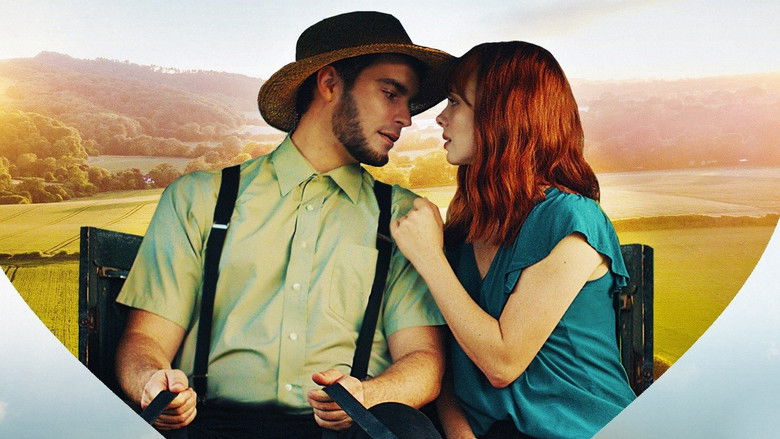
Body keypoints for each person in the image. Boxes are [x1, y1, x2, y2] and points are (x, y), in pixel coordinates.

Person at [114, 11, 453, 439]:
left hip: (348, 429)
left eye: (409, 101)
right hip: (211, 426)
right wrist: (151, 382)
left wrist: (367, 395)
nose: (406, 117)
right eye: (391, 94)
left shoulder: (405, 216)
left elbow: (423, 359)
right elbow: (145, 340)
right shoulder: (199, 198)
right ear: (329, 83)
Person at [390, 41, 637, 439]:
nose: (441, 117)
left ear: (502, 116)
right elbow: (452, 362)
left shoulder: (570, 220)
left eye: (455, 102)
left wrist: (429, 259)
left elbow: (502, 363)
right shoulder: (465, 229)